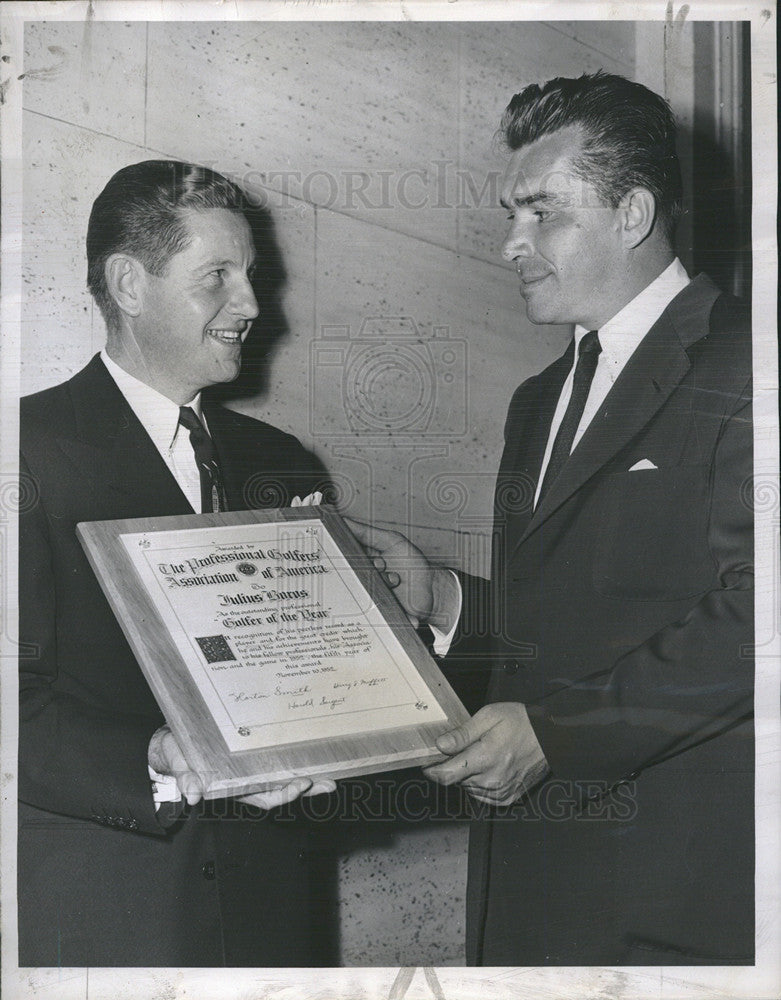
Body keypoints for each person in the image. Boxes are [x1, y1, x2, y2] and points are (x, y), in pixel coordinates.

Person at [351, 72, 754, 965]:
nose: (510, 245)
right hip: (528, 892)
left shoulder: (745, 364)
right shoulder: (538, 398)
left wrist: (560, 737)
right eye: (510, 214)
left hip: (671, 901)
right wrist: (448, 600)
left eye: (542, 214)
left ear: (633, 212)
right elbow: (583, 618)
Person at [18, 160, 336, 967]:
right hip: (116, 912)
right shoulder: (24, 452)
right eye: (216, 277)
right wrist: (151, 757)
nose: (252, 306)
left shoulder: (284, 463)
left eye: (251, 276)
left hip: (274, 912)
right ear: (129, 284)